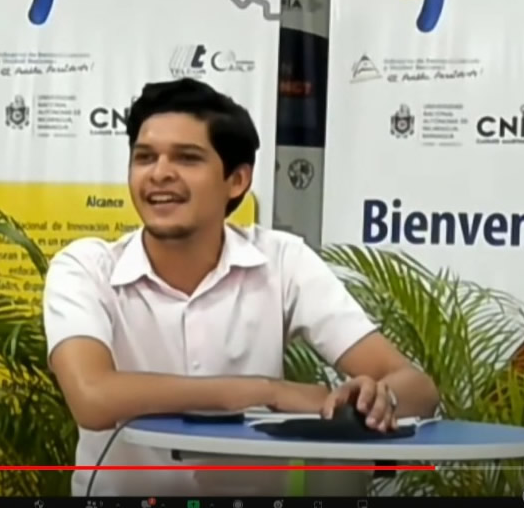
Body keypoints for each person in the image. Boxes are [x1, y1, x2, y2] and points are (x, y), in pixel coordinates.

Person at [42, 78, 440, 496]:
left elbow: (417, 387)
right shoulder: (85, 267)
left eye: (187, 158)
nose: (159, 174)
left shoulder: (282, 260)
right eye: (145, 158)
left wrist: (377, 400)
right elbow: (93, 397)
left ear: (236, 181)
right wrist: (266, 392)